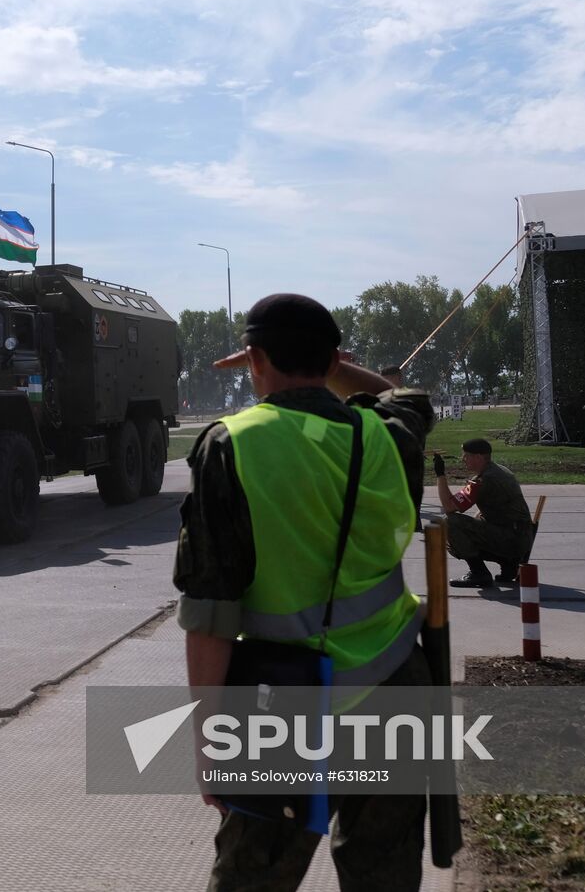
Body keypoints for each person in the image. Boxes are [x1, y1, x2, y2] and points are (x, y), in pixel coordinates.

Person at [175, 293, 435, 891]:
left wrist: (210, 744)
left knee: (252, 878)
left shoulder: (231, 444)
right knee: (384, 874)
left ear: (255, 358)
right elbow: (408, 398)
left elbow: (211, 615)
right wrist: (332, 361)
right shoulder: (387, 435)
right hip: (396, 684)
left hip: (283, 704)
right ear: (330, 359)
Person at [435, 438, 532, 588]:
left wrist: (440, 475)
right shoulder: (498, 470)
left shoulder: (485, 480)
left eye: (466, 455)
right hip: (518, 536)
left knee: (448, 523)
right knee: (471, 524)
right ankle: (508, 563)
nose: (463, 459)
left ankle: (479, 572)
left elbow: (449, 507)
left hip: (511, 540)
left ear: (478, 457)